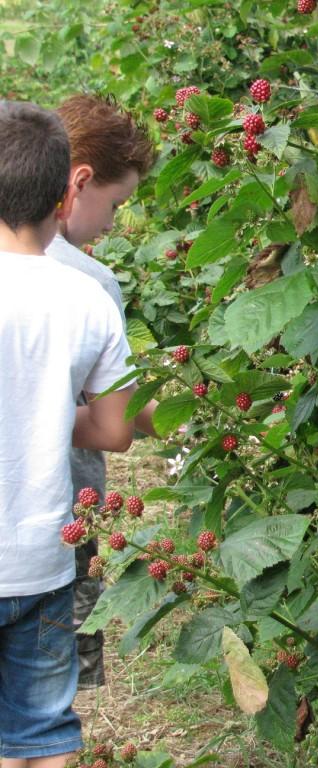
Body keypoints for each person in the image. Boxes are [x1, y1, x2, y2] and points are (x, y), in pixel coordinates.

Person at [0, 101, 136, 768]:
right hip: (43, 561)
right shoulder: (88, 297)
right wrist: (50, 412)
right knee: (41, 734)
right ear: (65, 195)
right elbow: (114, 430)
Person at [46, 94, 157, 691]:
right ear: (79, 182)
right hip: (64, 511)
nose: (115, 222)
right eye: (115, 204)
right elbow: (120, 416)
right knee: (53, 693)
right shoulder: (89, 281)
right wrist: (197, 421)